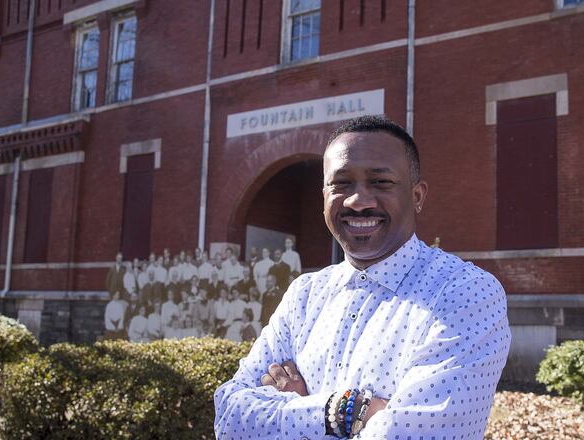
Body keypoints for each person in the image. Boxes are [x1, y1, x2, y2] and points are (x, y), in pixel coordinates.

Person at [214, 115, 511, 438]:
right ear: (324, 196)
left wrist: (293, 412)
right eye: (341, 184)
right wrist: (345, 411)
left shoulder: (465, 293)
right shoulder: (304, 294)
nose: (358, 201)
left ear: (417, 196)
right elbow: (230, 418)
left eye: (380, 182)